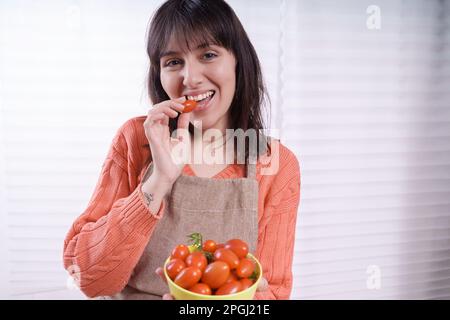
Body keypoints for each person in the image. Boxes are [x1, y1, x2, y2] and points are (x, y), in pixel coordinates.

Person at [63, 0, 301, 300]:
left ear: (238, 61)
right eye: (173, 62)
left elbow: (274, 293)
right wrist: (158, 180)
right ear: (159, 74)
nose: (190, 78)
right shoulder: (135, 139)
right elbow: (89, 279)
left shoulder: (275, 164)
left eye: (209, 55)